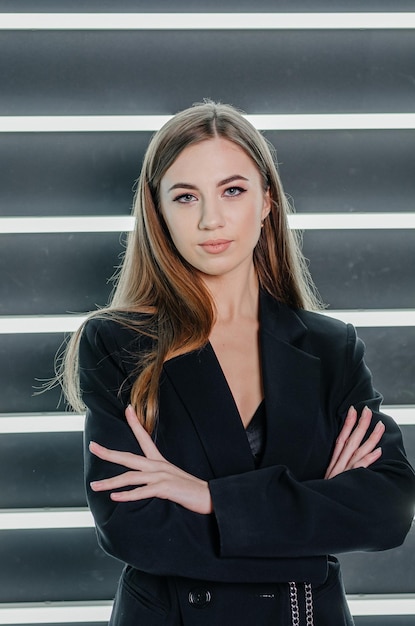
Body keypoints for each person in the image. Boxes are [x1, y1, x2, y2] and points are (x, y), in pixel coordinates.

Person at [62, 101, 415, 625]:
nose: (211, 219)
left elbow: (388, 510)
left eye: (233, 190)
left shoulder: (329, 347)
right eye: (186, 197)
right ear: (157, 211)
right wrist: (312, 515)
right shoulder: (118, 343)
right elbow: (135, 529)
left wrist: (206, 497)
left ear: (268, 200)